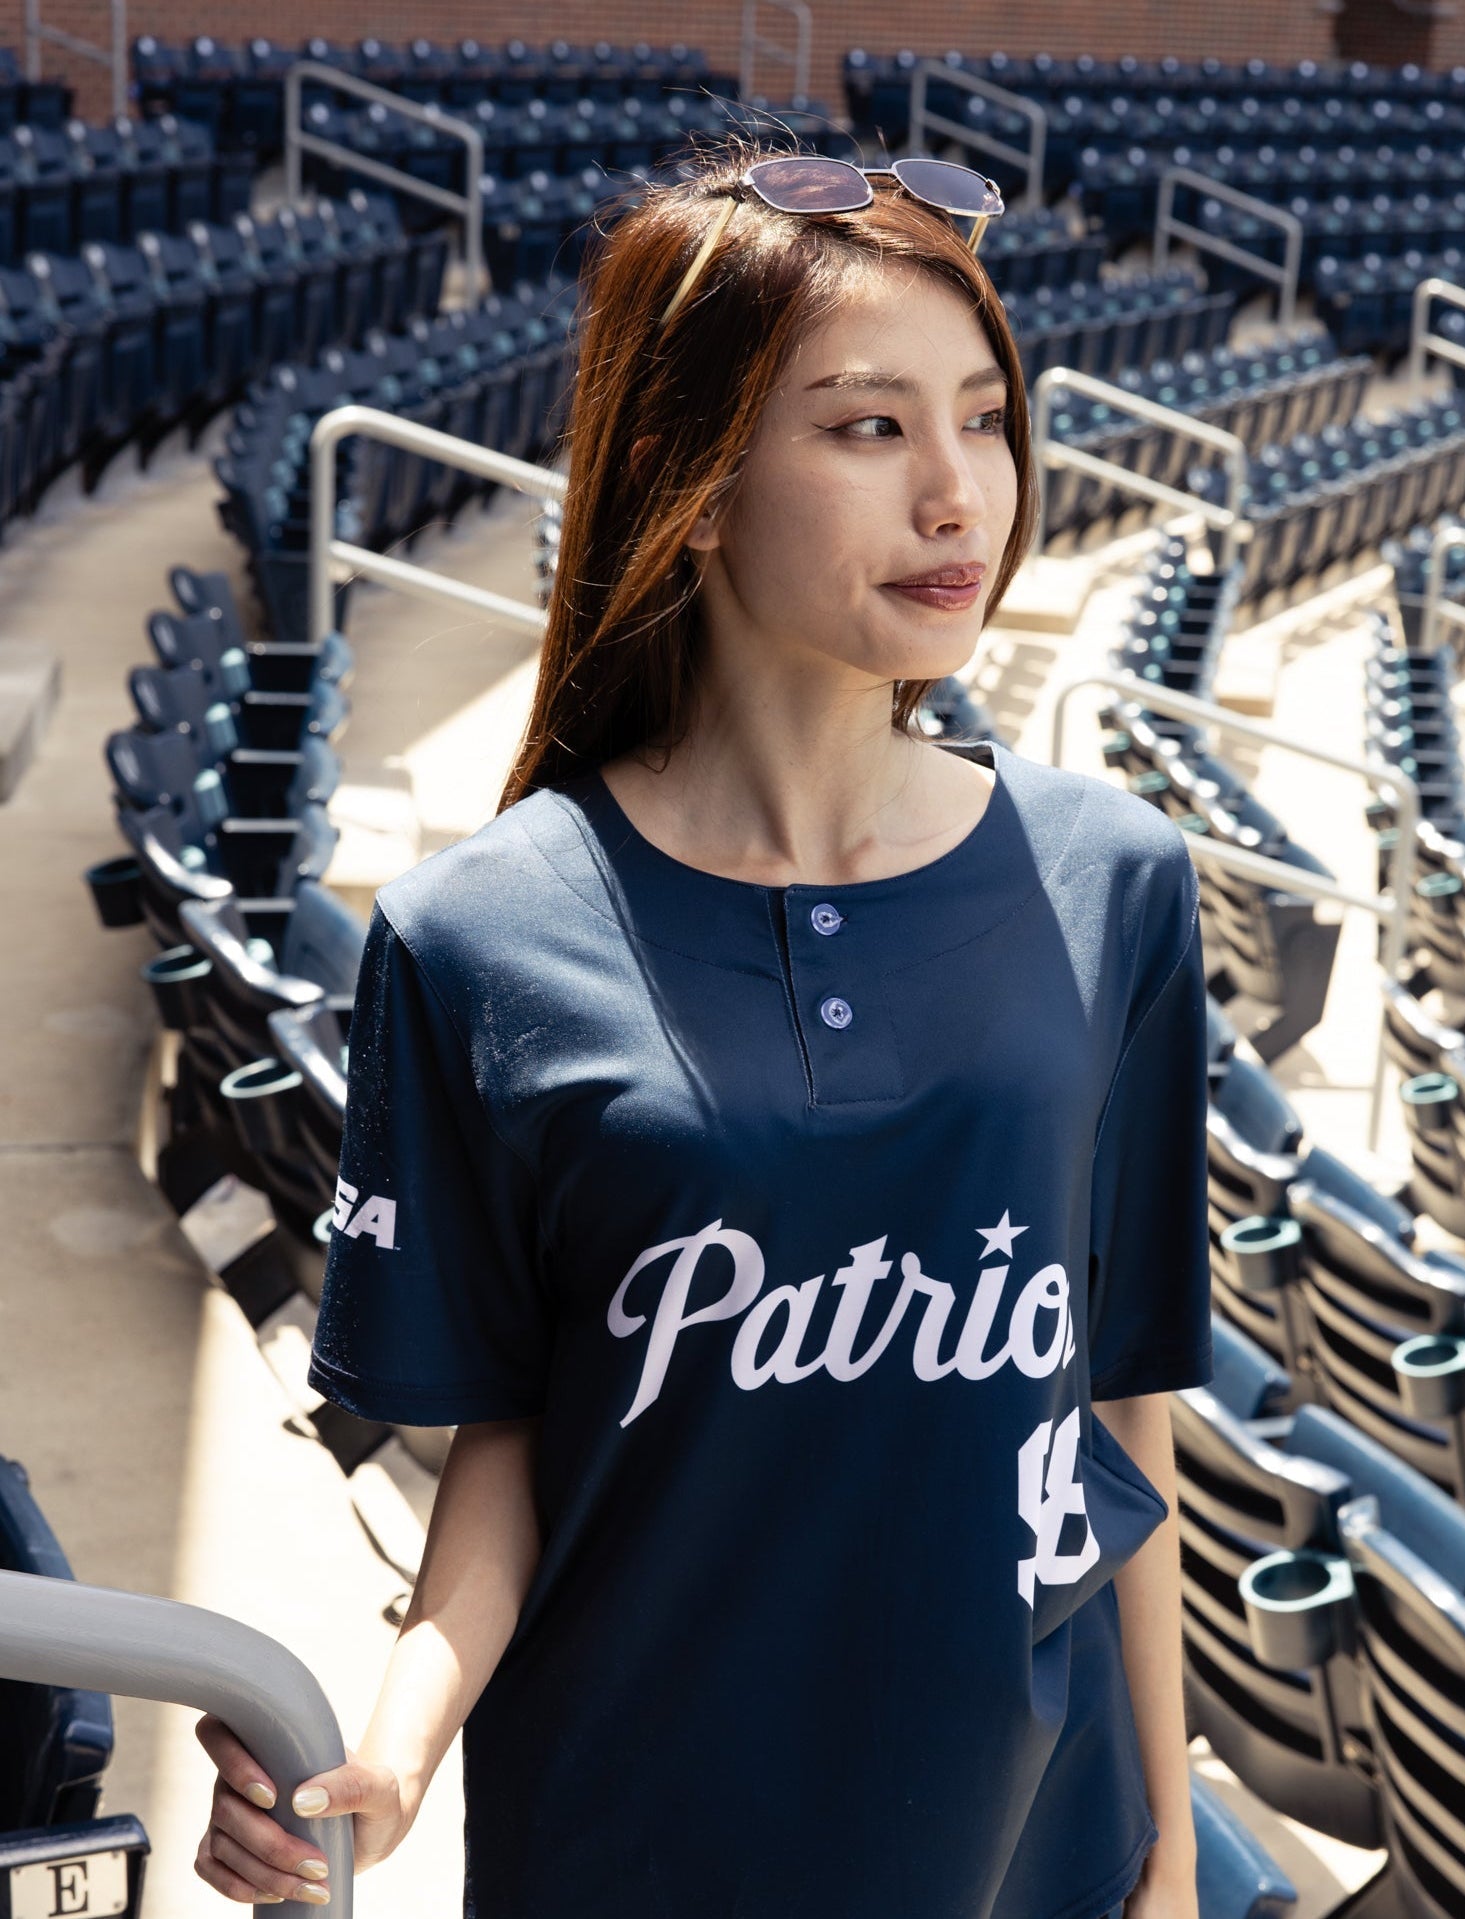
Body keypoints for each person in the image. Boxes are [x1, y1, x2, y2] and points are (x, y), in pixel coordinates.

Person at [190, 133, 1214, 1918]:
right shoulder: (477, 932)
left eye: (983, 416)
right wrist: (387, 1757)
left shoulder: (1115, 883)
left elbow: (1123, 1402)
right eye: (869, 426)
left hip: (1030, 1844)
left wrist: (1173, 1853)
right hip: (638, 1840)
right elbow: (507, 1449)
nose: (961, 494)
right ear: (695, 478)